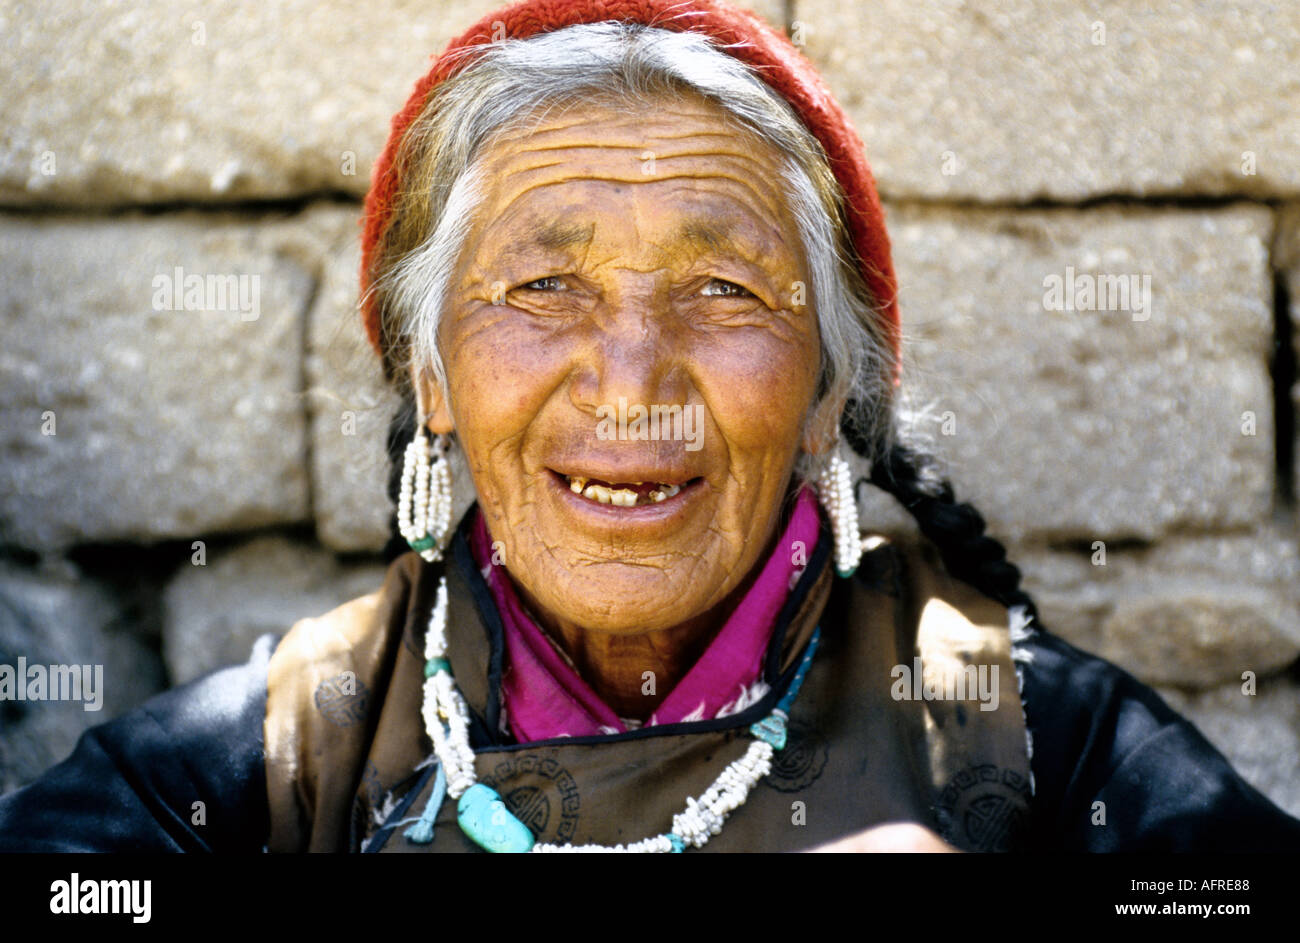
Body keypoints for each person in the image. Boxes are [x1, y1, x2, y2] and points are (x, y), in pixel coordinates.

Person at [2, 0, 1298, 854]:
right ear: (432, 374)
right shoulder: (267, 766)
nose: (630, 381)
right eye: (543, 286)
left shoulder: (1040, 749)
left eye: (724, 290)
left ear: (826, 392)